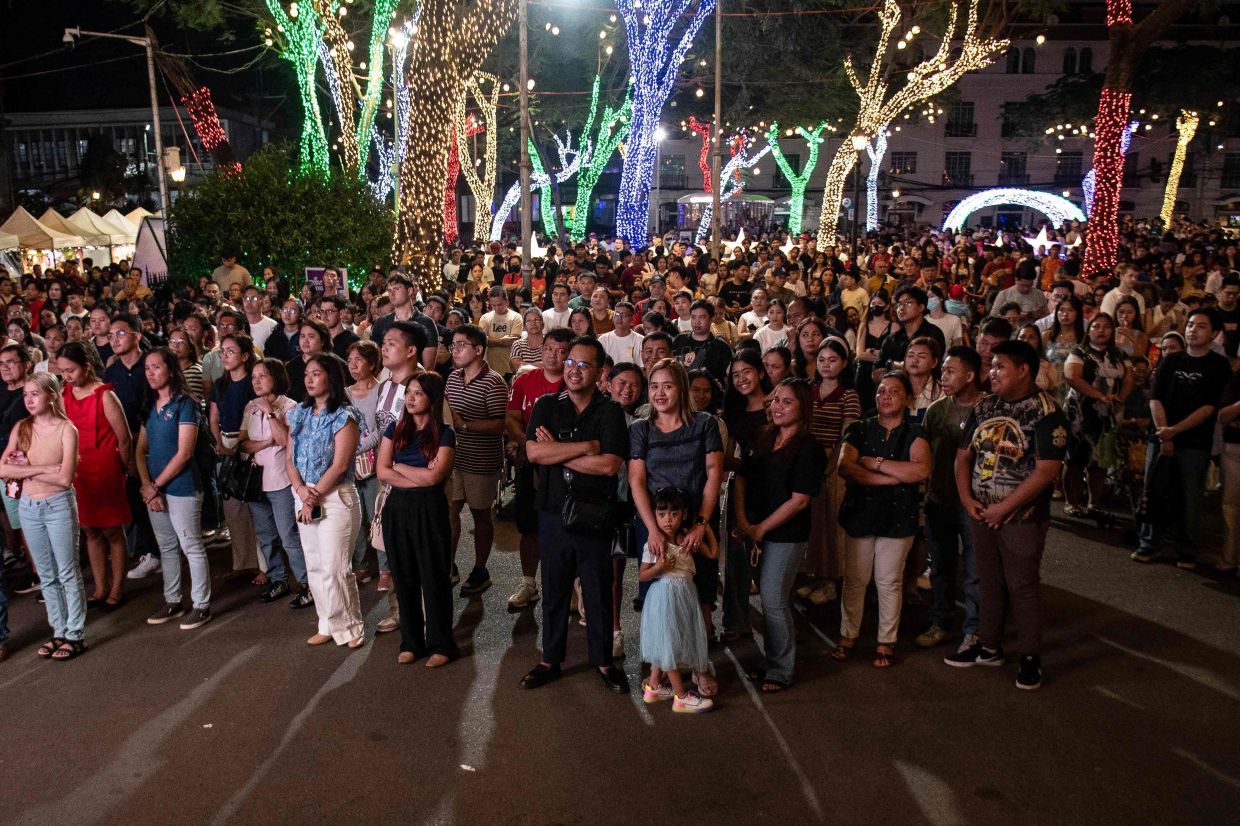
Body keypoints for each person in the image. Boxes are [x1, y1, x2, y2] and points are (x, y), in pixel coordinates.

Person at [947, 340, 1069, 691]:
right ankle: (989, 645)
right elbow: (963, 456)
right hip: (982, 511)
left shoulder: (1047, 413)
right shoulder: (986, 406)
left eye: (999, 366)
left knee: (1022, 586)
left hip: (1022, 518)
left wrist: (1006, 507)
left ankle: (1030, 657)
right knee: (989, 581)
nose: (992, 373)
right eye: (992, 366)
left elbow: (1046, 471)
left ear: (1023, 370)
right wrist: (968, 499)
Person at [519, 337, 630, 694]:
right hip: (552, 512)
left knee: (597, 591)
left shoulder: (610, 411)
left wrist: (557, 450)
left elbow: (610, 464)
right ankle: (550, 659)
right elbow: (534, 453)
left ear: (600, 372)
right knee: (554, 589)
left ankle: (602, 661)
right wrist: (585, 448)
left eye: (584, 365)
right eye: (570, 363)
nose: (574, 370)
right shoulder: (548, 405)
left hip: (595, 514)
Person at [628, 358, 725, 696]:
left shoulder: (704, 424)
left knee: (700, 595)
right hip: (655, 522)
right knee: (658, 592)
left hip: (696, 521)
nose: (659, 393)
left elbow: (714, 473)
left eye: (667, 385)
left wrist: (700, 522)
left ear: (681, 388)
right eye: (654, 386)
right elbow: (637, 480)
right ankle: (662, 662)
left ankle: (699, 666)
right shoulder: (640, 429)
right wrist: (652, 528)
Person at [832, 372, 931, 668]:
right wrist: (891, 479)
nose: (885, 396)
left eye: (894, 391)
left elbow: (920, 471)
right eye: (881, 391)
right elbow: (846, 467)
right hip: (860, 514)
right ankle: (847, 636)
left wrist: (875, 464)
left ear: (907, 399)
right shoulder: (859, 429)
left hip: (899, 516)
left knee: (889, 580)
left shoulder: (916, 433)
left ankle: (885, 641)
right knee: (855, 580)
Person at [733, 378, 825, 691]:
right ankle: (771, 659)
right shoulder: (762, 437)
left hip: (786, 534)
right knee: (769, 600)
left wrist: (760, 527)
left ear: (803, 407)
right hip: (754, 529)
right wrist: (745, 520)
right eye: (776, 400)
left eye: (788, 402)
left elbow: (799, 500)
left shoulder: (809, 448)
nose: (779, 407)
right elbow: (742, 479)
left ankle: (782, 669)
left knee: (773, 600)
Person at [1133, 308, 1233, 568]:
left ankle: (1186, 548)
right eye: (1190, 324)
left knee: (1191, 496)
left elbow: (1210, 407)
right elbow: (1155, 398)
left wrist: (1174, 431)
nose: (1192, 330)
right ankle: (1148, 543)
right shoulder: (1171, 360)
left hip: (1195, 442)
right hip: (1160, 436)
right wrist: (1164, 433)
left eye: (1200, 326)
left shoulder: (1218, 365)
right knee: (1153, 490)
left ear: (1213, 333)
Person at [377, 372, 459, 667]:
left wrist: (400, 467)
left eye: (418, 393)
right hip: (397, 509)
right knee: (404, 577)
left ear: (432, 398)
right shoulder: (394, 429)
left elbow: (436, 478)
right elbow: (382, 471)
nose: (410, 398)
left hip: (430, 509)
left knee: (434, 577)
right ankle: (411, 642)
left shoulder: (445, 433)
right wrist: (418, 474)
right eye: (408, 393)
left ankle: (441, 644)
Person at [0, 373, 83, 659]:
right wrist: (43, 469)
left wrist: (31, 469)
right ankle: (58, 630)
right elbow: (3, 470)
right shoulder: (22, 428)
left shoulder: (66, 430)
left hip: (58, 504)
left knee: (67, 571)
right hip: (29, 506)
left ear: (51, 395)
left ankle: (74, 633)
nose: (29, 400)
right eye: (25, 395)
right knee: (47, 575)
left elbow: (65, 478)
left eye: (35, 393)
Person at [286, 353, 365, 648]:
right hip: (304, 495)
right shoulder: (299, 414)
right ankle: (327, 623)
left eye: (316, 373)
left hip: (334, 497)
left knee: (336, 567)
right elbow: (289, 457)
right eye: (306, 373)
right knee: (316, 566)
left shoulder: (345, 416)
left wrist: (312, 496)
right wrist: (299, 489)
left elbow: (341, 464)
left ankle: (351, 626)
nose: (308, 379)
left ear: (331, 377)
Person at [136, 349, 214, 630]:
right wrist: (146, 485)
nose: (151, 373)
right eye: (147, 368)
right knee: (167, 546)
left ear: (170, 369)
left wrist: (154, 486)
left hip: (181, 487)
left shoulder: (185, 404)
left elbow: (184, 453)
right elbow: (140, 450)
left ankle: (201, 605)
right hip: (155, 489)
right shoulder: (149, 405)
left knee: (190, 545)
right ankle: (172, 600)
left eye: (156, 367)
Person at [917, 347, 984, 652]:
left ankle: (975, 630)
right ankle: (941, 622)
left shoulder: (989, 410)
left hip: (975, 502)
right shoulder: (937, 411)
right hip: (940, 498)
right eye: (942, 370)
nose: (942, 376)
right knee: (941, 569)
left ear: (970, 375)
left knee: (975, 572)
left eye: (950, 371)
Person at [59, 342, 132, 610]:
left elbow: (124, 439)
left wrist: (124, 469)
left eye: (71, 370)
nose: (66, 376)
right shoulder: (63, 394)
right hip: (77, 471)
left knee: (112, 530)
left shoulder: (104, 395)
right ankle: (100, 587)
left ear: (86, 367)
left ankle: (117, 588)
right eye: (63, 371)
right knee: (89, 529)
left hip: (106, 470)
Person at [504, 328, 572, 609]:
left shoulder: (574, 383)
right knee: (528, 524)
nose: (553, 356)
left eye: (561, 351)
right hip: (530, 462)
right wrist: (527, 442)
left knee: (567, 523)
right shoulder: (525, 380)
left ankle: (572, 585)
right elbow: (512, 418)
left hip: (565, 464)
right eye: (549, 349)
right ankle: (528, 582)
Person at [638, 486, 717, 713]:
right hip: (665, 595)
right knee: (669, 644)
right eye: (661, 515)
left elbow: (712, 554)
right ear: (654, 516)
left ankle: (653, 687)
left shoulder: (685, 538)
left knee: (670, 640)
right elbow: (642, 575)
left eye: (673, 514)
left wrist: (704, 529)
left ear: (683, 514)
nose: (668, 520)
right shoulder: (655, 544)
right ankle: (681, 696)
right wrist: (659, 567)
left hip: (685, 594)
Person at [239, 358, 310, 606]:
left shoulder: (290, 407)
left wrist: (269, 412)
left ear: (276, 377)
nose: (256, 381)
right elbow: (244, 443)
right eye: (254, 377)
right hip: (256, 482)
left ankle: (306, 584)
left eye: (262, 376)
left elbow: (284, 440)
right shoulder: (250, 407)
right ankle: (278, 579)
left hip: (281, 481)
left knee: (288, 535)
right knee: (265, 536)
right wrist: (264, 443)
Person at [444, 324, 509, 596]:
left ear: (478, 349)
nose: (455, 351)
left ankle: (480, 569)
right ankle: (448, 565)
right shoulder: (452, 378)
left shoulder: (493, 381)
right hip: (453, 458)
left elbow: (499, 425)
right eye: (453, 346)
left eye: (461, 345)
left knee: (481, 514)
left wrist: (466, 425)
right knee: (449, 512)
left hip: (481, 460)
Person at [801, 337, 860, 606]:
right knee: (812, 525)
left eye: (832, 360)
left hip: (834, 464)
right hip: (807, 459)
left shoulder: (849, 395)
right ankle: (815, 575)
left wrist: (831, 465)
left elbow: (848, 435)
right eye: (821, 360)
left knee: (831, 525)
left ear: (844, 363)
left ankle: (830, 582)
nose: (825, 365)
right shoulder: (808, 391)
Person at [1062, 313, 1132, 519]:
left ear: (1112, 331)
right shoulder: (1079, 352)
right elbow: (1072, 377)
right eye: (1096, 326)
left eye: (1106, 327)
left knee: (1100, 460)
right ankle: (1072, 502)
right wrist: (1099, 395)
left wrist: (1120, 397)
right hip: (1080, 414)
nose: (1101, 330)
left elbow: (1129, 378)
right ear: (1089, 330)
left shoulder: (1119, 355)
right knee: (1075, 459)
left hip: (1106, 414)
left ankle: (1094, 502)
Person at [208, 333, 261, 580]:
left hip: (252, 442)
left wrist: (242, 444)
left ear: (245, 355)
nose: (226, 356)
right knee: (233, 510)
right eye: (223, 352)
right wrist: (219, 443)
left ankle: (265, 564)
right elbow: (214, 418)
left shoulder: (253, 382)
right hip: (226, 444)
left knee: (256, 505)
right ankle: (244, 563)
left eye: (231, 351)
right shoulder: (220, 385)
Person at [345, 340, 382, 585]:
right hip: (348, 465)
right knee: (354, 519)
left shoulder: (382, 391)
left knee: (377, 517)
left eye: (358, 360)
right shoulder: (345, 393)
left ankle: (386, 567)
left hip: (376, 462)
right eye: (349, 361)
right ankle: (360, 565)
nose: (353, 365)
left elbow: (382, 427)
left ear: (371, 362)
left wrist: (357, 447)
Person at [672, 299, 734, 385]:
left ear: (711, 319)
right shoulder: (680, 340)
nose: (697, 322)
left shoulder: (721, 346)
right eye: (693, 317)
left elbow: (728, 379)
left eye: (702, 317)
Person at [478, 286, 522, 377]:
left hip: (509, 366)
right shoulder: (485, 318)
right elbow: (482, 340)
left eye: (500, 304)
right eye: (493, 305)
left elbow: (514, 340)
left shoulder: (515, 317)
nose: (497, 308)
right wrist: (503, 340)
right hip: (490, 366)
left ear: (507, 301)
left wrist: (491, 340)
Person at [598, 301, 644, 367]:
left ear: (632, 318)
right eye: (617, 314)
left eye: (623, 315)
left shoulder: (640, 340)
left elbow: (642, 366)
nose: (619, 318)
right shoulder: (603, 339)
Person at [319, 295, 360, 361]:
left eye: (329, 312)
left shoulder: (352, 341)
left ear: (341, 313)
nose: (324, 316)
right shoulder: (320, 339)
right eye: (322, 311)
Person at [509, 307, 546, 372]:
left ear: (543, 324)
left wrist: (525, 366)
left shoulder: (549, 343)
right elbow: (516, 366)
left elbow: (553, 365)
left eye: (536, 320)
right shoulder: (518, 344)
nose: (533, 323)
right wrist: (542, 365)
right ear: (524, 327)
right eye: (529, 321)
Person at [242, 285, 277, 350]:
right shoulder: (238, 323)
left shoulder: (272, 325)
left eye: (253, 298)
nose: (249, 302)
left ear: (262, 301)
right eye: (246, 298)